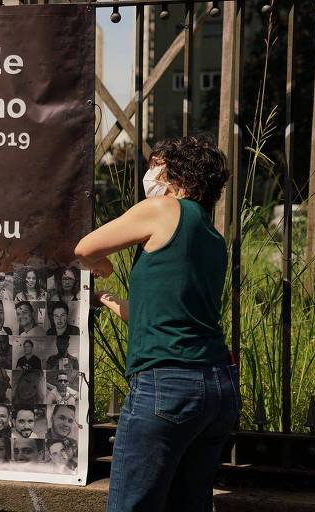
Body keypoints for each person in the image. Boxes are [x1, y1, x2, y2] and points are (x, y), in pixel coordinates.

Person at [74, 135, 237, 512]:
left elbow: (85, 248)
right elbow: (163, 313)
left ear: (176, 173)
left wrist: (102, 263)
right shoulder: (211, 235)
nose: (150, 173)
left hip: (167, 385)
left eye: (156, 165)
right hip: (216, 386)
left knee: (132, 505)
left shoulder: (164, 208)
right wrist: (107, 300)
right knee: (188, 504)